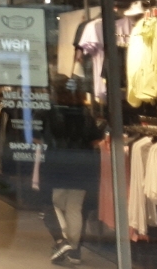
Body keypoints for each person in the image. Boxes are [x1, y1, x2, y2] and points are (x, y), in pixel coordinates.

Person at [37, 75, 103, 266]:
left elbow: (36, 137)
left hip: (56, 164)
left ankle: (63, 242)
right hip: (82, 164)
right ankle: (74, 251)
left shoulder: (46, 111)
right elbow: (95, 139)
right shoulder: (83, 112)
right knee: (75, 207)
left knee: (54, 204)